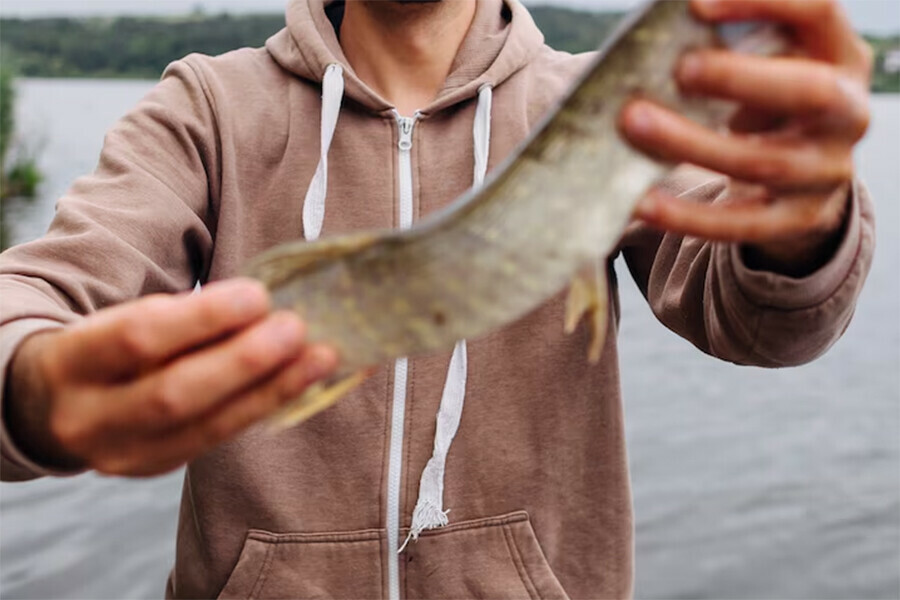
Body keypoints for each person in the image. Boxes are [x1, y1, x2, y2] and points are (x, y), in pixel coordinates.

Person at [0, 0, 875, 598]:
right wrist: (36, 389)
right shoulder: (206, 109)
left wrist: (800, 219)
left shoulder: (591, 108)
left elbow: (758, 317)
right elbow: (38, 294)